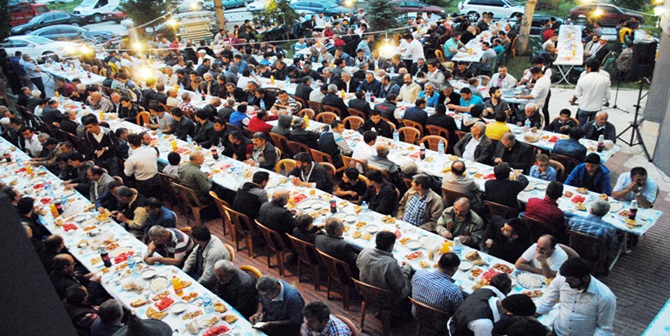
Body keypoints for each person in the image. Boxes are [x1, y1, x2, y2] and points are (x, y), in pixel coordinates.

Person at [536, 257, 616, 335]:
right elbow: (545, 304)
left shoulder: (605, 297)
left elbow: (604, 329)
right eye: (566, 278)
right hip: (558, 332)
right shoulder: (561, 280)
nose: (566, 282)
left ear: (585, 278)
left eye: (571, 280)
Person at [411, 253, 464, 331]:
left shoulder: (419, 273)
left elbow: (411, 286)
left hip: (417, 313)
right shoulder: (453, 290)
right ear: (454, 270)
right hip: (439, 323)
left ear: (438, 263)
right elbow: (458, 312)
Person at [357, 231, 412, 305]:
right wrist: (406, 269)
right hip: (384, 298)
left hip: (365, 290)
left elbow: (358, 264)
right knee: (411, 281)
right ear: (390, 246)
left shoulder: (365, 251)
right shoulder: (390, 263)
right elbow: (399, 285)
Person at [449, 291, 537, 336]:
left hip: (463, 316)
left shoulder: (488, 290)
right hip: (459, 331)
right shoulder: (484, 323)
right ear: (509, 313)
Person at [123, 134, 161, 199]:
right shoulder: (152, 150)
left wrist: (125, 166)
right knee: (158, 199)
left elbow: (128, 174)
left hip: (143, 183)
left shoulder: (132, 159)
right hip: (156, 179)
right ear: (141, 141)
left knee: (147, 201)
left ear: (131, 145)